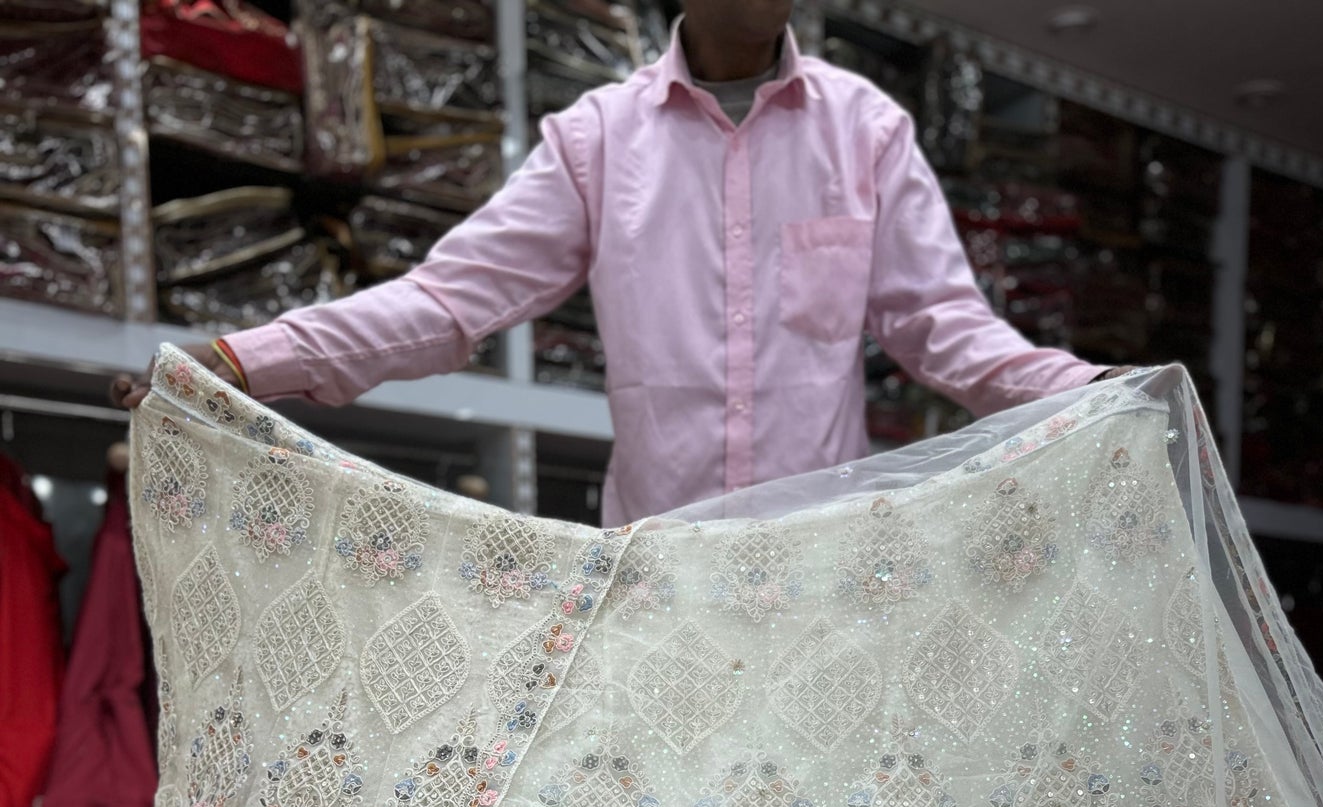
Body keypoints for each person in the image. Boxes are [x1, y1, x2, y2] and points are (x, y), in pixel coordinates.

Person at [113, 0, 1117, 522]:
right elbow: (450, 302)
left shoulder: (866, 131)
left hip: (824, 583)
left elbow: (942, 326)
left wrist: (1090, 394)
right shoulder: (598, 140)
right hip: (654, 588)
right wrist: (247, 360)